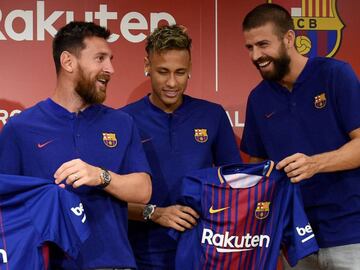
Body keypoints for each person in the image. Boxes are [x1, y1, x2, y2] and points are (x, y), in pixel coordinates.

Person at [0, 21, 152, 270]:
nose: (110, 68)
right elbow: (6, 210)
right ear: (68, 62)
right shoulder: (20, 128)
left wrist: (101, 176)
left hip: (114, 264)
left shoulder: (122, 123)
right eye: (100, 58)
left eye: (110, 59)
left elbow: (143, 190)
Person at [240, 3, 360, 270]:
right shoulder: (258, 98)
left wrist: (314, 164)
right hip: (295, 239)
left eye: (263, 44)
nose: (256, 55)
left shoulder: (334, 75)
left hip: (350, 234)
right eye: (250, 47)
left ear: (289, 38)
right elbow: (259, 167)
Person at [121, 24, 242, 269]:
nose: (172, 83)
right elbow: (108, 199)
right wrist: (156, 213)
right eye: (163, 71)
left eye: (180, 72)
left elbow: (236, 187)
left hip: (204, 254)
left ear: (190, 70)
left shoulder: (212, 115)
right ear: (147, 66)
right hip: (142, 255)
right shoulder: (122, 121)